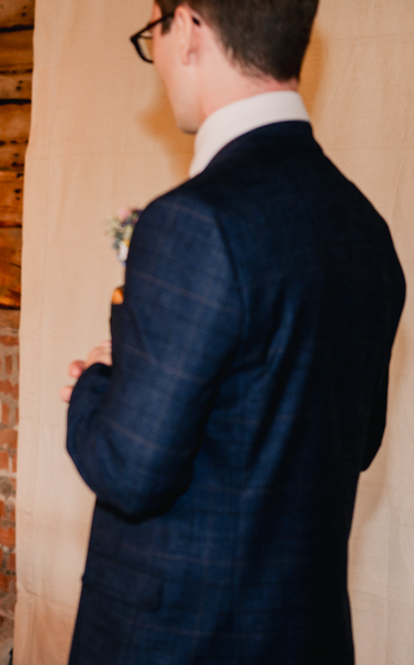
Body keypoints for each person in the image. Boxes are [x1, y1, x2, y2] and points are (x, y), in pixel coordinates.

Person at [61, 1, 405, 663]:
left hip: (182, 639)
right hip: (306, 635)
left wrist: (97, 385)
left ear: (188, 28)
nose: (156, 61)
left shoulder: (193, 221)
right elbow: (350, 441)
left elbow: (131, 471)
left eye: (151, 36)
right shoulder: (365, 229)